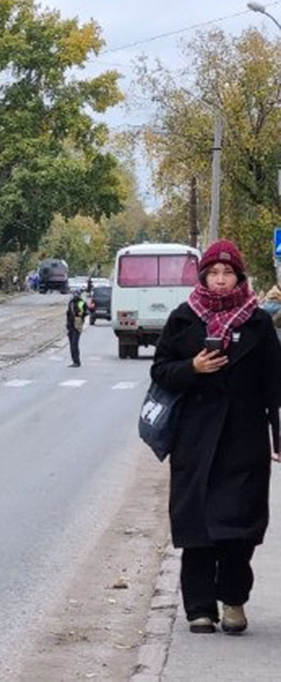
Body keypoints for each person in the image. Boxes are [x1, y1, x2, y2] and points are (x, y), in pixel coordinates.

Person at [152, 239, 281, 635]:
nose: (221, 280)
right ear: (204, 276)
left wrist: (279, 438)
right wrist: (192, 367)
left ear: (239, 277)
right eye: (214, 273)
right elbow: (160, 371)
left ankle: (234, 600)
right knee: (197, 529)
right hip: (195, 440)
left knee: (238, 529)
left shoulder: (257, 323)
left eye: (228, 274)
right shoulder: (184, 317)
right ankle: (199, 607)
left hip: (245, 440)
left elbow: (275, 386)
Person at [66, 288, 87, 367]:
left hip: (77, 324)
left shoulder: (81, 302)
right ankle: (74, 361)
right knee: (72, 344)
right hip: (71, 325)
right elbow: (68, 314)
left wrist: (81, 314)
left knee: (74, 344)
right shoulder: (71, 303)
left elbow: (85, 312)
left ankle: (77, 361)